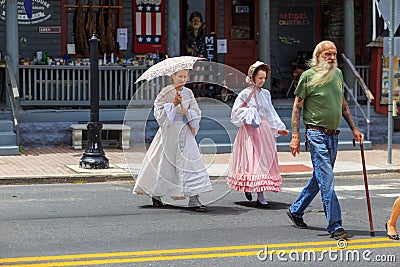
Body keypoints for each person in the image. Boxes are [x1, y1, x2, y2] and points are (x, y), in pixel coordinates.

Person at [287, 40, 364, 240]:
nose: (331, 58)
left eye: (334, 54)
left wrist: (354, 129)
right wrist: (295, 136)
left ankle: (296, 210)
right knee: (327, 178)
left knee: (320, 177)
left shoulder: (338, 74)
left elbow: (343, 103)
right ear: (318, 56)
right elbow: (297, 106)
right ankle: (335, 225)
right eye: (327, 54)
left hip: (333, 136)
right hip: (315, 135)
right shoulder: (308, 77)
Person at [133, 69, 212, 212]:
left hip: (184, 131)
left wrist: (187, 112)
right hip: (168, 132)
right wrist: (173, 105)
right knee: (163, 163)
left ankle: (193, 197)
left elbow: (196, 111)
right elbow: (159, 114)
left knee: (190, 163)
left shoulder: (188, 93)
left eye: (185, 77)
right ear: (172, 77)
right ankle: (157, 194)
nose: (182, 79)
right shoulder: (165, 92)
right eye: (179, 76)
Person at [227, 61, 289, 208]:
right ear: (252, 77)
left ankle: (260, 194)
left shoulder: (265, 94)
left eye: (264, 78)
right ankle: (252, 188)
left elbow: (270, 112)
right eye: (259, 78)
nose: (262, 81)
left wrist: (279, 128)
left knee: (263, 162)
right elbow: (235, 113)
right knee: (251, 160)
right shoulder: (245, 94)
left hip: (264, 130)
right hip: (249, 131)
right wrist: (249, 113)